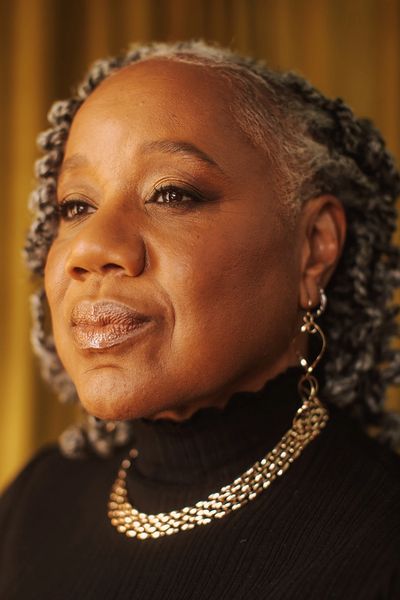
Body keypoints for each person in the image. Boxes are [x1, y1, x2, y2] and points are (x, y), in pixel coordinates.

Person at [1, 40, 399, 599]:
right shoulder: (35, 504)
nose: (90, 247)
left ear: (313, 247)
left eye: (171, 194)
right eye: (76, 206)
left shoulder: (381, 544)